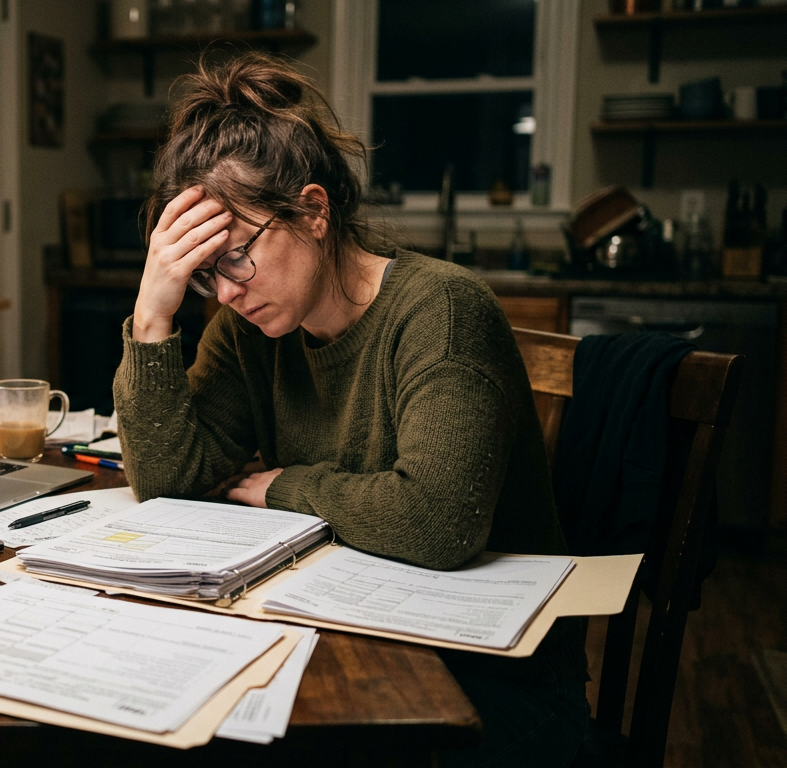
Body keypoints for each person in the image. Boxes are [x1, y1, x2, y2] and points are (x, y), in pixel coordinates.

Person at [112, 53, 588, 767]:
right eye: (203, 272)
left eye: (236, 254)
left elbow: (436, 521)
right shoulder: (246, 327)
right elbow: (168, 482)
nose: (227, 290)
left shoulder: (442, 309)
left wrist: (282, 485)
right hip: (347, 630)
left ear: (312, 212)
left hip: (489, 678)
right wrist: (153, 315)